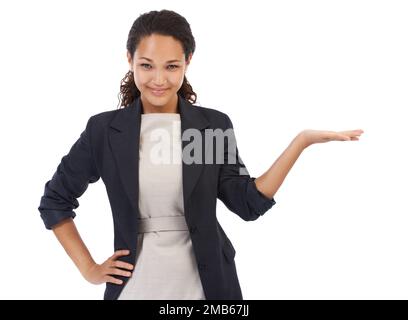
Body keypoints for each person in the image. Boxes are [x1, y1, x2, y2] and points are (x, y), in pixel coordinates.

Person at [38, 9, 364, 300]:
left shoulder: (206, 127)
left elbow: (247, 203)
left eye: (172, 66)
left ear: (188, 63)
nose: (159, 79)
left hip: (206, 287)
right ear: (129, 60)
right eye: (146, 65)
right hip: (135, 285)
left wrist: (301, 142)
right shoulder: (106, 131)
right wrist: (89, 269)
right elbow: (55, 201)